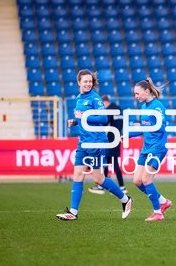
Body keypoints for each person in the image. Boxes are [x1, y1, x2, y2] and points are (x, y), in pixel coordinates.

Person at [56, 70, 133, 221]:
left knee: (98, 179)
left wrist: (84, 116)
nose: (88, 84)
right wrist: (75, 122)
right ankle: (73, 212)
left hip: (96, 142)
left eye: (90, 81)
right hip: (83, 142)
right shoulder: (79, 98)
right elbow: (84, 119)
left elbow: (104, 119)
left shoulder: (95, 98)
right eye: (85, 81)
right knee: (77, 175)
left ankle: (125, 199)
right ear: (79, 82)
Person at [132, 77, 173, 221]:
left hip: (157, 147)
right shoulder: (144, 107)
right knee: (137, 181)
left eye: (137, 93)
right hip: (146, 147)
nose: (136, 96)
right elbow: (144, 129)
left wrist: (143, 126)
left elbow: (161, 127)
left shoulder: (157, 107)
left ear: (147, 91)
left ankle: (158, 213)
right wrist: (126, 135)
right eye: (135, 94)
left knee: (146, 179)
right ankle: (163, 201)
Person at [89, 94, 126, 195]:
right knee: (109, 162)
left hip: (110, 139)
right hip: (117, 138)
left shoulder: (109, 110)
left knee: (110, 163)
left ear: (104, 102)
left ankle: (118, 187)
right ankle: (104, 185)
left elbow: (104, 122)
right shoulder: (118, 108)